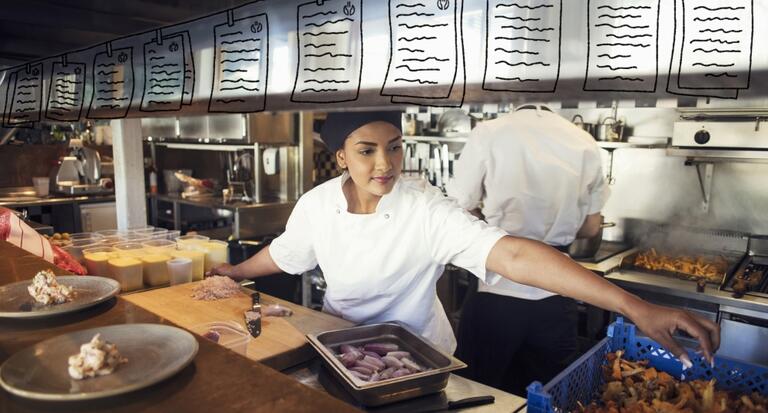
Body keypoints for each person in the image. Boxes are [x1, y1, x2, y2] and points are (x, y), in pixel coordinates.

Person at [208, 110, 718, 373]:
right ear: (340, 156)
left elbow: (513, 253)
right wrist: (233, 274)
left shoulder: (423, 205)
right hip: (340, 348)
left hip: (417, 358)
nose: (384, 164)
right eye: (366, 151)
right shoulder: (318, 204)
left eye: (394, 148)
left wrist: (634, 306)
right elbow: (286, 252)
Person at [447, 104, 613, 395]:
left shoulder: (489, 131)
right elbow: (590, 228)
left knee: (478, 395)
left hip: (496, 292)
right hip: (556, 296)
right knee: (549, 395)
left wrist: (492, 227)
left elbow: (459, 208)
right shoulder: (583, 139)